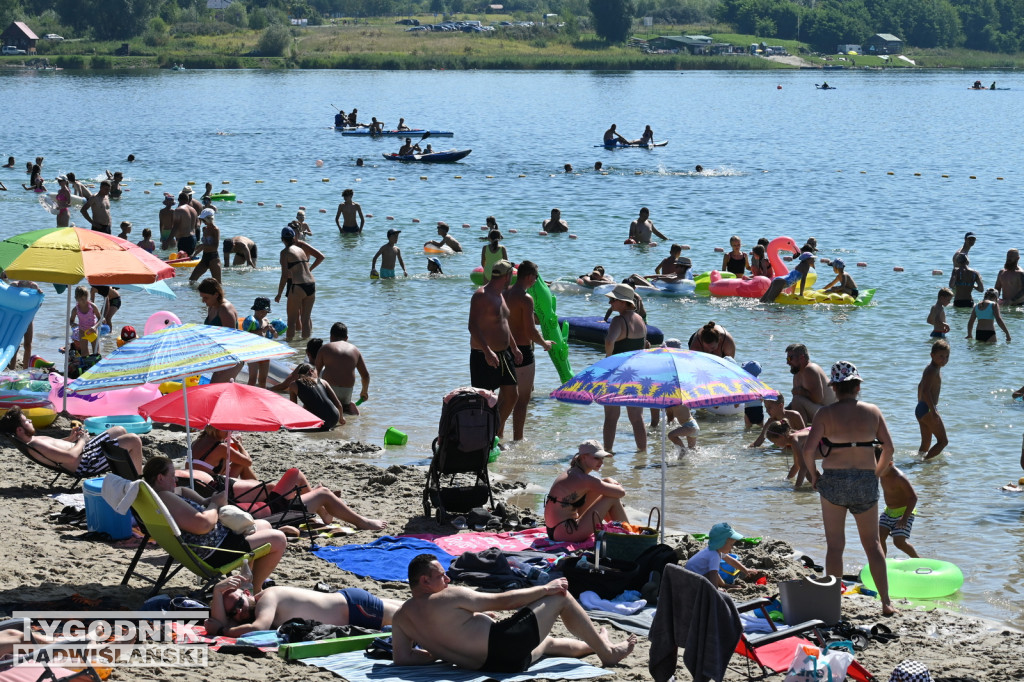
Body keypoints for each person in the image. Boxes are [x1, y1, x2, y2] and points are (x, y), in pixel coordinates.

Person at [393, 554, 636, 672]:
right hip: (506, 644)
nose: (447, 579)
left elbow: (403, 658)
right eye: (441, 576)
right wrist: (545, 588)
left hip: (494, 666)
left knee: (548, 641)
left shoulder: (401, 618)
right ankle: (608, 653)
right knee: (560, 597)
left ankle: (597, 644)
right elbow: (504, 601)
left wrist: (436, 652)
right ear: (424, 581)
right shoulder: (445, 596)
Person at [801, 361, 896, 617]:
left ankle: (833, 602)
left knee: (835, 545)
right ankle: (886, 602)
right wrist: (876, 472)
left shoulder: (824, 414)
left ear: (834, 387)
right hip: (865, 481)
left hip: (834, 481)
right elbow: (889, 448)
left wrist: (813, 475)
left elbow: (808, 450)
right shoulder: (873, 411)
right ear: (857, 386)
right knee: (873, 544)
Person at [142, 456, 286, 594]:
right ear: (160, 478)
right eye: (172, 475)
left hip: (215, 543)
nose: (176, 479)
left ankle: (248, 581)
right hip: (214, 551)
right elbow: (203, 525)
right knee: (278, 538)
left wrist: (204, 499)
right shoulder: (165, 497)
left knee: (264, 525)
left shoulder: (161, 497)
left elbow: (200, 503)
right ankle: (255, 589)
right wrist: (215, 503)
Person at [206, 575, 401, 637]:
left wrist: (223, 630)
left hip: (356, 610)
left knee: (419, 615)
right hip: (349, 603)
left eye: (239, 602)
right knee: (415, 608)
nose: (239, 611)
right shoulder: (251, 610)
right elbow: (217, 620)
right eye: (233, 611)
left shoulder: (266, 599)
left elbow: (259, 628)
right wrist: (217, 591)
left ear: (247, 592)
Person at [0, 405, 143, 479]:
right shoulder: (35, 445)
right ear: (19, 430)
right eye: (26, 421)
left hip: (83, 452)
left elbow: (55, 449)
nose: (30, 421)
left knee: (119, 430)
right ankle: (138, 479)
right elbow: (71, 457)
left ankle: (127, 472)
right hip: (86, 463)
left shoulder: (32, 441)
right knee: (133, 440)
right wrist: (82, 441)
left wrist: (70, 439)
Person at [468, 261, 521, 439]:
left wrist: (514, 347)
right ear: (506, 276)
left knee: (512, 395)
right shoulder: (481, 295)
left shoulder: (501, 294)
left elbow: (503, 324)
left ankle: (494, 432)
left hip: (504, 354)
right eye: (511, 275)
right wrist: (487, 351)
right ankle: (485, 436)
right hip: (483, 355)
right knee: (485, 400)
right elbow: (472, 326)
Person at [503, 261, 553, 442]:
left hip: (503, 348)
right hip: (522, 351)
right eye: (536, 278)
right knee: (522, 400)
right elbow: (530, 331)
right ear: (530, 277)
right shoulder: (525, 298)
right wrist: (544, 343)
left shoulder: (504, 292)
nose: (535, 281)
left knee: (505, 397)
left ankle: (497, 435)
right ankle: (518, 439)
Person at [544, 440, 627, 542]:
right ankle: (628, 534)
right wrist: (612, 481)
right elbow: (621, 492)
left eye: (602, 458)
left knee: (604, 486)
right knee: (611, 498)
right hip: (568, 533)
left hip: (556, 530)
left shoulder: (572, 472)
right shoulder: (584, 479)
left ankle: (620, 529)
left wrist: (608, 480)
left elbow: (600, 485)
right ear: (583, 457)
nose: (601, 462)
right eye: (596, 458)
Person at [603, 283, 647, 452]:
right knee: (637, 418)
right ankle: (642, 454)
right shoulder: (640, 320)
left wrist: (608, 358)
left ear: (623, 302)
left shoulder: (618, 320)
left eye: (613, 300)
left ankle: (608, 453)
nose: (610, 304)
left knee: (611, 417)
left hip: (617, 372)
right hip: (636, 372)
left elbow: (609, 341)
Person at [275, 226, 324, 341]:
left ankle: (290, 349)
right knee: (305, 319)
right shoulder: (301, 249)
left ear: (282, 239)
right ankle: (305, 347)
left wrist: (279, 294)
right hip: (311, 284)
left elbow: (284, 276)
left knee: (291, 321)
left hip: (298, 286)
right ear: (293, 237)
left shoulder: (285, 253)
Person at [315, 322, 370, 416]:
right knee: (343, 405)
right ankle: (347, 406)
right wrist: (364, 392)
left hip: (330, 390)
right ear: (346, 338)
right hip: (346, 391)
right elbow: (365, 375)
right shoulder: (355, 350)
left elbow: (316, 372)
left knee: (320, 373)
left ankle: (329, 404)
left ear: (331, 337)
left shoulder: (325, 348)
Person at [684, 523, 758, 590]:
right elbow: (713, 574)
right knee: (713, 572)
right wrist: (715, 591)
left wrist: (745, 569)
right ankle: (716, 589)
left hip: (691, 574)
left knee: (713, 571)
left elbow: (730, 561)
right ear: (721, 543)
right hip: (693, 580)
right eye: (731, 545)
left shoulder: (713, 550)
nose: (732, 547)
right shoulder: (714, 555)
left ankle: (724, 585)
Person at [271, 362, 343, 429]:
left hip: (318, 423)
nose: (317, 375)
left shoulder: (293, 385)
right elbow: (339, 405)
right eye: (316, 372)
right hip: (334, 418)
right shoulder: (323, 381)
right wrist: (341, 419)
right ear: (311, 371)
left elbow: (293, 409)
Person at [197, 278, 243, 383]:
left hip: (232, 358)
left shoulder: (225, 309)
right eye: (202, 297)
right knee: (225, 391)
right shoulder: (212, 307)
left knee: (214, 388)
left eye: (206, 297)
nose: (203, 301)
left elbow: (231, 339)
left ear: (216, 294)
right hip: (220, 357)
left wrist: (223, 364)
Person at [784, 343, 835, 424]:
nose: (787, 362)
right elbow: (797, 400)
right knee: (780, 412)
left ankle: (802, 434)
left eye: (790, 358)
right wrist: (783, 411)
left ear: (802, 357)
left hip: (830, 413)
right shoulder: (797, 373)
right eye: (787, 359)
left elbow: (818, 399)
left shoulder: (810, 370)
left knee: (797, 400)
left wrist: (801, 392)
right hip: (819, 411)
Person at [916, 339, 949, 460]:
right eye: (941, 356)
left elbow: (920, 387)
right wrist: (933, 411)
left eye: (946, 357)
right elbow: (925, 391)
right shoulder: (932, 371)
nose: (944, 359)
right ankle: (924, 464)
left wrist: (920, 405)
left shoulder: (930, 368)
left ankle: (919, 465)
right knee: (943, 441)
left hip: (921, 408)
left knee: (926, 444)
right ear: (932, 355)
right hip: (928, 409)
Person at [878, 461, 919, 558]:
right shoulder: (881, 472)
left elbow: (913, 497)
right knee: (879, 538)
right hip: (888, 512)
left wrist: (905, 518)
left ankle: (918, 560)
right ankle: (882, 563)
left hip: (903, 513)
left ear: (890, 463)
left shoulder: (899, 478)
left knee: (899, 542)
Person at [1, 274, 40, 369]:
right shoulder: (15, 285)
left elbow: (38, 304)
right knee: (14, 345)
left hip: (29, 320)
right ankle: (12, 368)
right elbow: (8, 300)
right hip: (16, 320)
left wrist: (39, 295)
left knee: (28, 344)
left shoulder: (34, 286)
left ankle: (25, 369)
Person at [244, 297, 276, 388]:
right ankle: (248, 396)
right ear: (255, 310)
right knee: (252, 379)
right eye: (260, 311)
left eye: (265, 312)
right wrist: (261, 330)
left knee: (262, 380)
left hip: (265, 352)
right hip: (253, 352)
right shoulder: (251, 321)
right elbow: (246, 334)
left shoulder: (266, 321)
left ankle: (260, 398)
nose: (262, 314)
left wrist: (273, 331)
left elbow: (276, 336)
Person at [189, 209, 222, 283]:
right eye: (202, 220)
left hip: (213, 258)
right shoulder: (204, 229)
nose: (203, 221)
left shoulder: (215, 230)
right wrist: (194, 254)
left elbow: (215, 247)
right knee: (192, 280)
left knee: (218, 283)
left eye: (204, 220)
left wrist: (203, 246)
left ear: (209, 219)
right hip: (205, 258)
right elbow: (203, 246)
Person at [69, 285, 101, 356]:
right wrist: (73, 324)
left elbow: (100, 318)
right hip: (82, 331)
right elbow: (71, 321)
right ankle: (87, 365)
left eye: (86, 298)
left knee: (96, 352)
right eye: (82, 299)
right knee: (84, 353)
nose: (84, 301)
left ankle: (96, 363)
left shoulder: (92, 306)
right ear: (76, 299)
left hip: (92, 330)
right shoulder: (75, 310)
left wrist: (95, 327)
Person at [742, 360, 765, 428]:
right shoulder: (760, 383)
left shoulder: (745, 384)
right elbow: (762, 396)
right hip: (759, 409)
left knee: (747, 427)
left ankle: (748, 438)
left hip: (748, 409)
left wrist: (736, 403)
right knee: (761, 427)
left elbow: (742, 396)